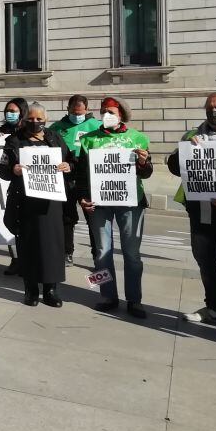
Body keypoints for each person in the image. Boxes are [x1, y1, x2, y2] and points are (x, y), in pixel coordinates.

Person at [76, 97, 153, 319]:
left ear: (121, 115)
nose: (106, 114)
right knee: (101, 252)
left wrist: (143, 162)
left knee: (132, 254)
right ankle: (107, 295)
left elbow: (147, 173)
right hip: (99, 203)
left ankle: (134, 299)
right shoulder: (89, 139)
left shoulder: (138, 138)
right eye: (103, 111)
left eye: (110, 111)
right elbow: (82, 173)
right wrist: (82, 196)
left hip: (130, 203)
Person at [167, 92, 216, 324]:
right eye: (209, 108)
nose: (213, 111)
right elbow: (174, 167)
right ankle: (215, 309)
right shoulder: (192, 134)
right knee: (206, 261)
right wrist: (186, 150)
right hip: (202, 211)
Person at [0, 103, 72, 307]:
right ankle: (30, 290)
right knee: (28, 245)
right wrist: (13, 170)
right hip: (25, 202)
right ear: (24, 119)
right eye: (31, 118)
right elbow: (1, 169)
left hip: (51, 202)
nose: (35, 122)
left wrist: (67, 166)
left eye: (39, 119)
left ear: (46, 120)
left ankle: (50, 290)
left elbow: (72, 161)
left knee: (52, 245)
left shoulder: (55, 138)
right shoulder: (14, 141)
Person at [50, 94, 103, 264]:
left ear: (87, 110)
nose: (76, 115)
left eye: (79, 112)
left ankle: (98, 255)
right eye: (73, 111)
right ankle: (67, 252)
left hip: (89, 177)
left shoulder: (97, 126)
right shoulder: (57, 127)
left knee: (94, 218)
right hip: (65, 177)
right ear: (67, 109)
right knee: (66, 216)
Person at [0, 96, 29, 275]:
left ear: (22, 113)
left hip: (30, 188)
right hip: (12, 186)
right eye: (8, 111)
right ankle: (16, 260)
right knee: (11, 223)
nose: (10, 114)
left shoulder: (30, 132)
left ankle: (28, 261)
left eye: (14, 111)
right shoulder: (1, 131)